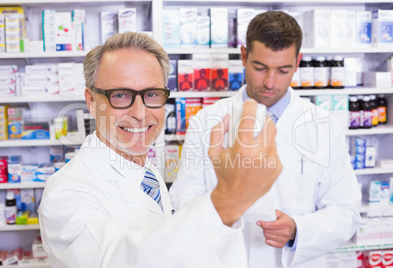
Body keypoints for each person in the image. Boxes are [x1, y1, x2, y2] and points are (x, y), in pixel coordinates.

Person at [39, 32, 282, 267]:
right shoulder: (64, 193)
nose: (140, 113)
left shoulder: (145, 171)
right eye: (120, 95)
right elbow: (115, 260)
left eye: (152, 94)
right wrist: (227, 202)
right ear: (92, 102)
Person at [169, 11, 362, 268]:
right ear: (244, 56)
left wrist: (297, 229)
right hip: (225, 259)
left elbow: (345, 211)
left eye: (283, 70)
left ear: (298, 62)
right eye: (260, 68)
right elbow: (183, 198)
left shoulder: (323, 126)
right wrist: (224, 212)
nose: (270, 82)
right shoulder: (207, 121)